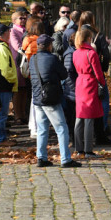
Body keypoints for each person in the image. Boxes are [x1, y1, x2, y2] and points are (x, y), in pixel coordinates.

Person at [29, 34, 79, 168]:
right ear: (48, 46)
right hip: (50, 98)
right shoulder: (52, 58)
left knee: (42, 129)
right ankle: (65, 159)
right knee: (61, 128)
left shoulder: (32, 59)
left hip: (37, 98)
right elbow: (64, 74)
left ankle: (41, 157)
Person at [72, 27, 106, 157]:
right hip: (90, 84)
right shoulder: (91, 53)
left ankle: (78, 147)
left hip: (80, 82)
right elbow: (98, 72)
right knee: (89, 119)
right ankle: (88, 149)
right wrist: (102, 84)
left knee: (79, 116)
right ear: (89, 38)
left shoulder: (75, 52)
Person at [0, 24, 18, 144]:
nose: (10, 34)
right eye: (8, 31)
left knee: (0, 114)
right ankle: (1, 139)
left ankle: (0, 137)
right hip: (4, 84)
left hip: (2, 83)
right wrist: (11, 80)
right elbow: (5, 68)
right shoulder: (0, 47)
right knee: (2, 114)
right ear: (4, 33)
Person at [8, 8, 30, 125]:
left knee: (25, 90)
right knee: (18, 91)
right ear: (14, 20)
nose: (23, 20)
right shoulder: (13, 31)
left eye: (24, 18)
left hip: (26, 63)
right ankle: (18, 115)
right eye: (20, 18)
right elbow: (17, 46)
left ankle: (23, 114)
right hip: (18, 63)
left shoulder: (26, 30)